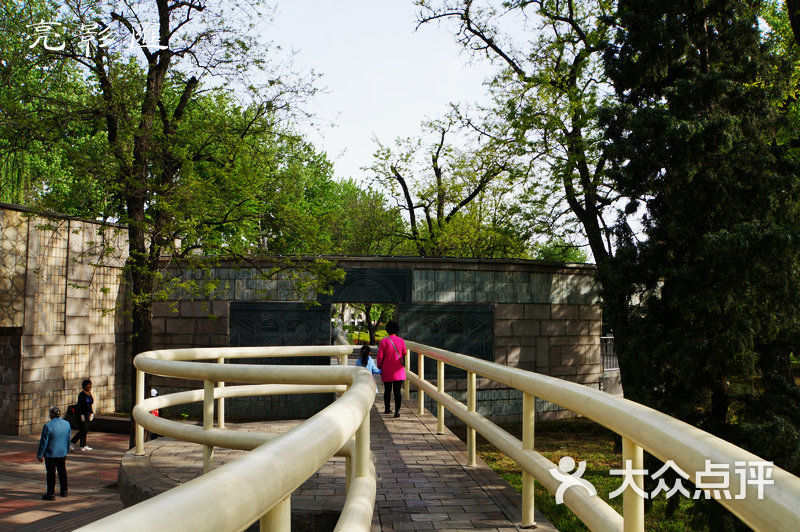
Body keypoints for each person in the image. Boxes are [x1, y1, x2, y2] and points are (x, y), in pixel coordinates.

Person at [37, 406, 70, 500]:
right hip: (62, 452)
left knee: (51, 474)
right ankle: (64, 491)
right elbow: (68, 438)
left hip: (51, 454)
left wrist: (40, 454)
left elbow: (44, 442)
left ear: (52, 414)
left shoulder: (48, 426)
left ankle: (51, 493)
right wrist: (66, 450)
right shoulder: (66, 424)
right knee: (62, 471)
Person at [377, 320, 406, 418]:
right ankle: (397, 411)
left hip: (387, 370)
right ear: (396, 330)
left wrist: (379, 366)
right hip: (398, 370)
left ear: (387, 330)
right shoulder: (401, 340)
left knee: (387, 390)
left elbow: (380, 356)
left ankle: (387, 408)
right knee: (397, 391)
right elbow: (404, 353)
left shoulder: (384, 341)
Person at [70, 379, 94, 451]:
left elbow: (90, 405)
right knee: (84, 429)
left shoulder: (89, 394)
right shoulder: (81, 395)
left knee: (85, 430)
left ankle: (83, 445)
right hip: (81, 414)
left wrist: (92, 413)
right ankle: (72, 442)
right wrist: (81, 415)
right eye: (88, 384)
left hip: (88, 414)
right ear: (84, 386)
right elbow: (79, 406)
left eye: (90, 384)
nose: (90, 386)